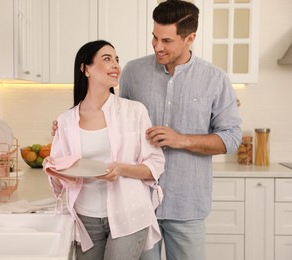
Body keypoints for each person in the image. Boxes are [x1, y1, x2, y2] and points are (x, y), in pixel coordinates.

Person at [119, 1, 242, 260]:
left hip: (187, 205)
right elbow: (117, 124)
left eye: (167, 40)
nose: (157, 46)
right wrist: (76, 122)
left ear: (190, 38)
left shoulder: (215, 79)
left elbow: (231, 138)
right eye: (154, 37)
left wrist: (181, 139)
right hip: (139, 203)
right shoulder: (133, 72)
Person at [43, 40, 165, 260]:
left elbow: (155, 164)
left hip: (129, 213)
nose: (116, 65)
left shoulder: (134, 111)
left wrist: (122, 169)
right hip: (85, 217)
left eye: (117, 59)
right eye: (107, 59)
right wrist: (53, 168)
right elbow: (61, 182)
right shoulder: (66, 121)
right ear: (86, 68)